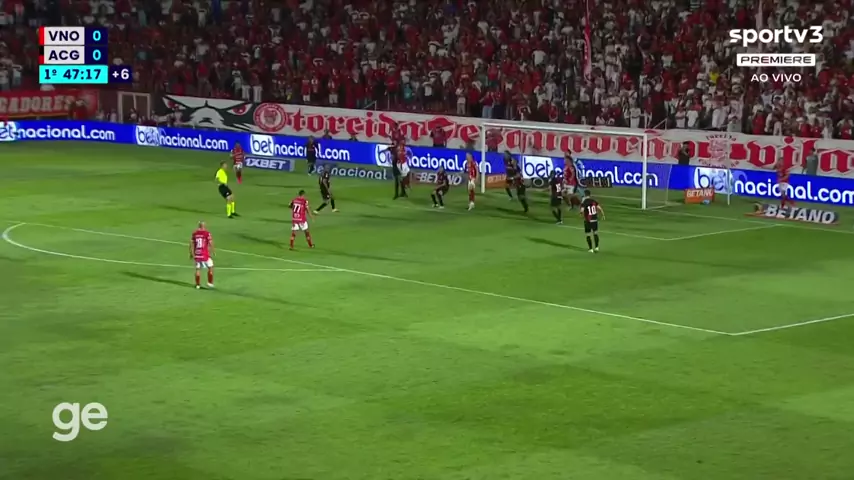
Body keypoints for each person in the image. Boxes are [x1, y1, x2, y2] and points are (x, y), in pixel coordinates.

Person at [190, 221, 214, 289]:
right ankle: (210, 283)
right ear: (203, 226)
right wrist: (213, 250)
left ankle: (197, 285)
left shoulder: (194, 233)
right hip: (205, 254)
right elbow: (210, 242)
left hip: (197, 254)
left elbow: (191, 244)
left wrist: (191, 253)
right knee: (210, 268)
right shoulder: (207, 233)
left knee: (198, 269)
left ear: (199, 226)